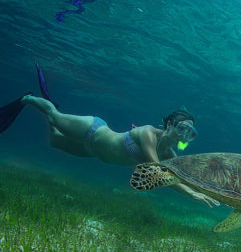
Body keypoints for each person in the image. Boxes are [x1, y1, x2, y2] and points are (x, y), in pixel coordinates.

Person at [0, 65, 219, 208]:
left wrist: (202, 191)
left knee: (54, 140)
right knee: (54, 116)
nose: (185, 134)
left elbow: (177, 176)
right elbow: (158, 171)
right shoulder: (147, 134)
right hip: (93, 130)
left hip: (92, 152)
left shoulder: (169, 152)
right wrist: (192, 194)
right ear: (170, 124)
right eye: (182, 127)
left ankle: (49, 103)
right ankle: (27, 99)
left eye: (191, 132)